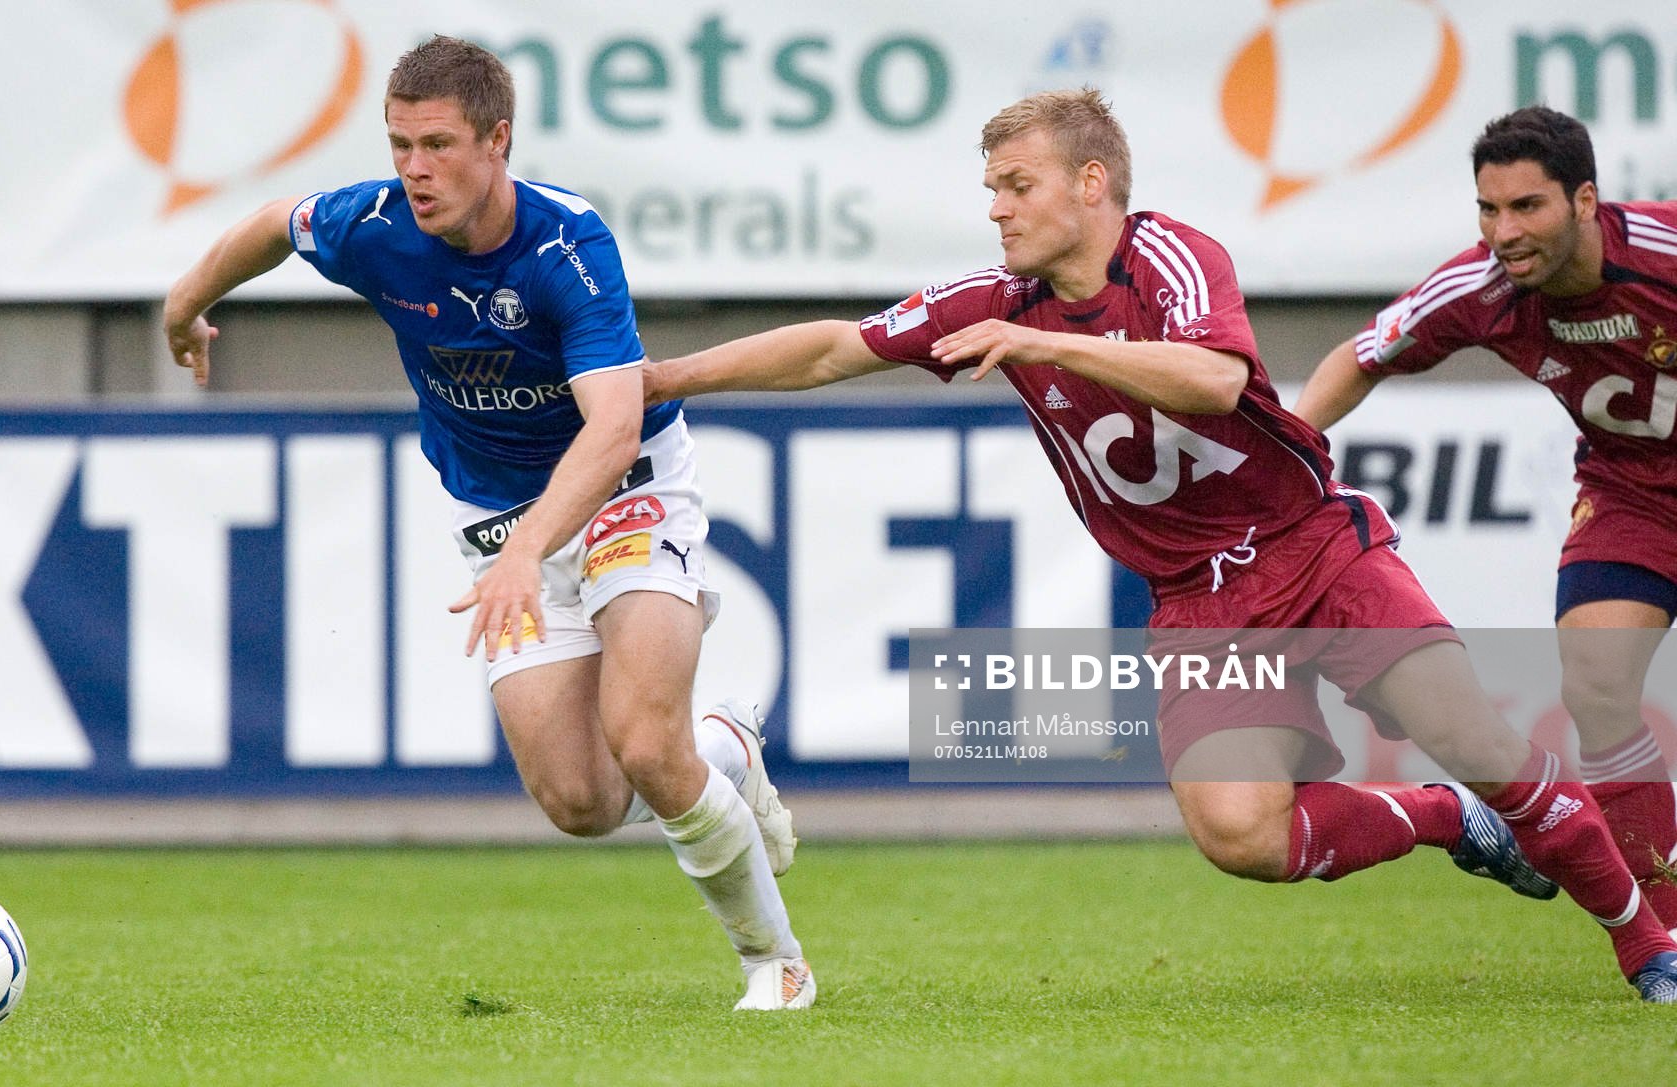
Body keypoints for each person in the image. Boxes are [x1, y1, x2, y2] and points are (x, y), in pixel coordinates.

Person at [642, 88, 1677, 1000]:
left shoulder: (1172, 256)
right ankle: (1447, 820)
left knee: (1490, 748)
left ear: (1091, 184)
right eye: (990, 187)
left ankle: (1646, 947)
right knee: (1241, 836)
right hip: (1197, 598)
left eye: (1015, 182)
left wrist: (1045, 342)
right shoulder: (994, 301)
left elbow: (1216, 378)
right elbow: (836, 345)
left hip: (1315, 549)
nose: (995, 206)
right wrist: (665, 379)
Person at [162, 35, 813, 1011]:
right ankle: (724, 744)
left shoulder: (565, 245)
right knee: (580, 802)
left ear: (497, 140)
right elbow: (268, 225)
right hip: (496, 510)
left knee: (642, 738)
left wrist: (526, 549)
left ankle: (776, 961)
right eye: (399, 146)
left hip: (627, 485)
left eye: (437, 145)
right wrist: (184, 305)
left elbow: (612, 424)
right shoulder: (373, 226)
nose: (415, 171)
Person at [1295, 105, 1677, 939]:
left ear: (1586, 201)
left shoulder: (1665, 254)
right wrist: (1285, 458)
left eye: (1527, 207)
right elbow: (1359, 357)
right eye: (1488, 209)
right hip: (1633, 497)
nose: (1504, 232)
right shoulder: (1480, 289)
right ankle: (1669, 928)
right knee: (1598, 686)